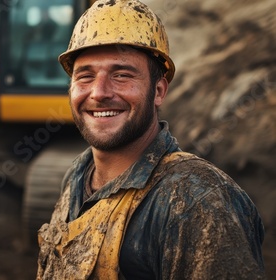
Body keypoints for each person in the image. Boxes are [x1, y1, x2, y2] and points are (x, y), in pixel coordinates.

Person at [36, 0, 266, 279]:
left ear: (158, 91)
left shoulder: (196, 201)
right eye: (85, 76)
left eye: (121, 75)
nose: (98, 92)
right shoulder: (76, 176)